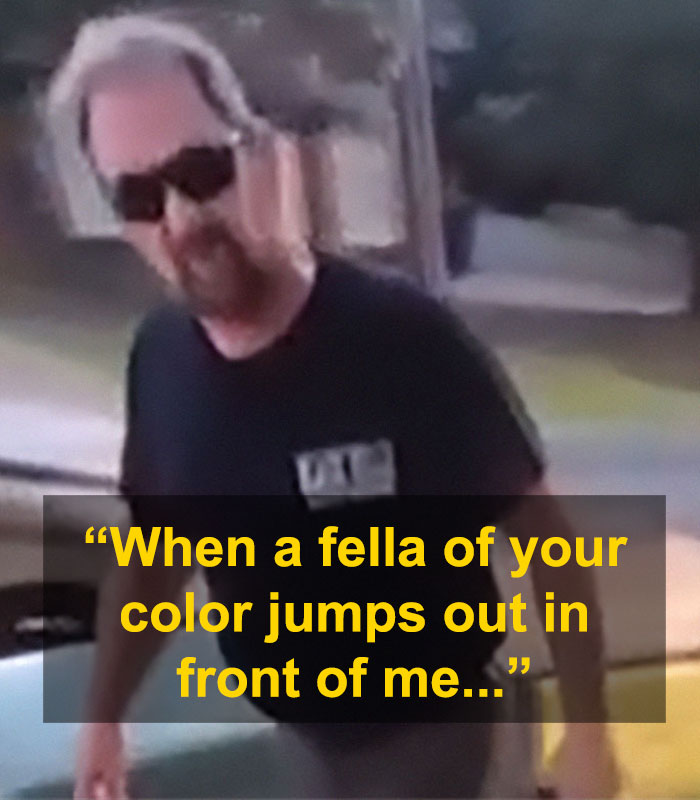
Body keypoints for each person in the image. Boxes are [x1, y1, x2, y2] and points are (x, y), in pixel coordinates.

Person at [45, 12, 621, 799]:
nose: (180, 219)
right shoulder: (160, 359)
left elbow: (547, 543)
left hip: (448, 739)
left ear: (254, 152)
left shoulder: (401, 338)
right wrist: (103, 719)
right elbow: (156, 550)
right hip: (304, 741)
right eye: (141, 195)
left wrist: (587, 737)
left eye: (201, 171)